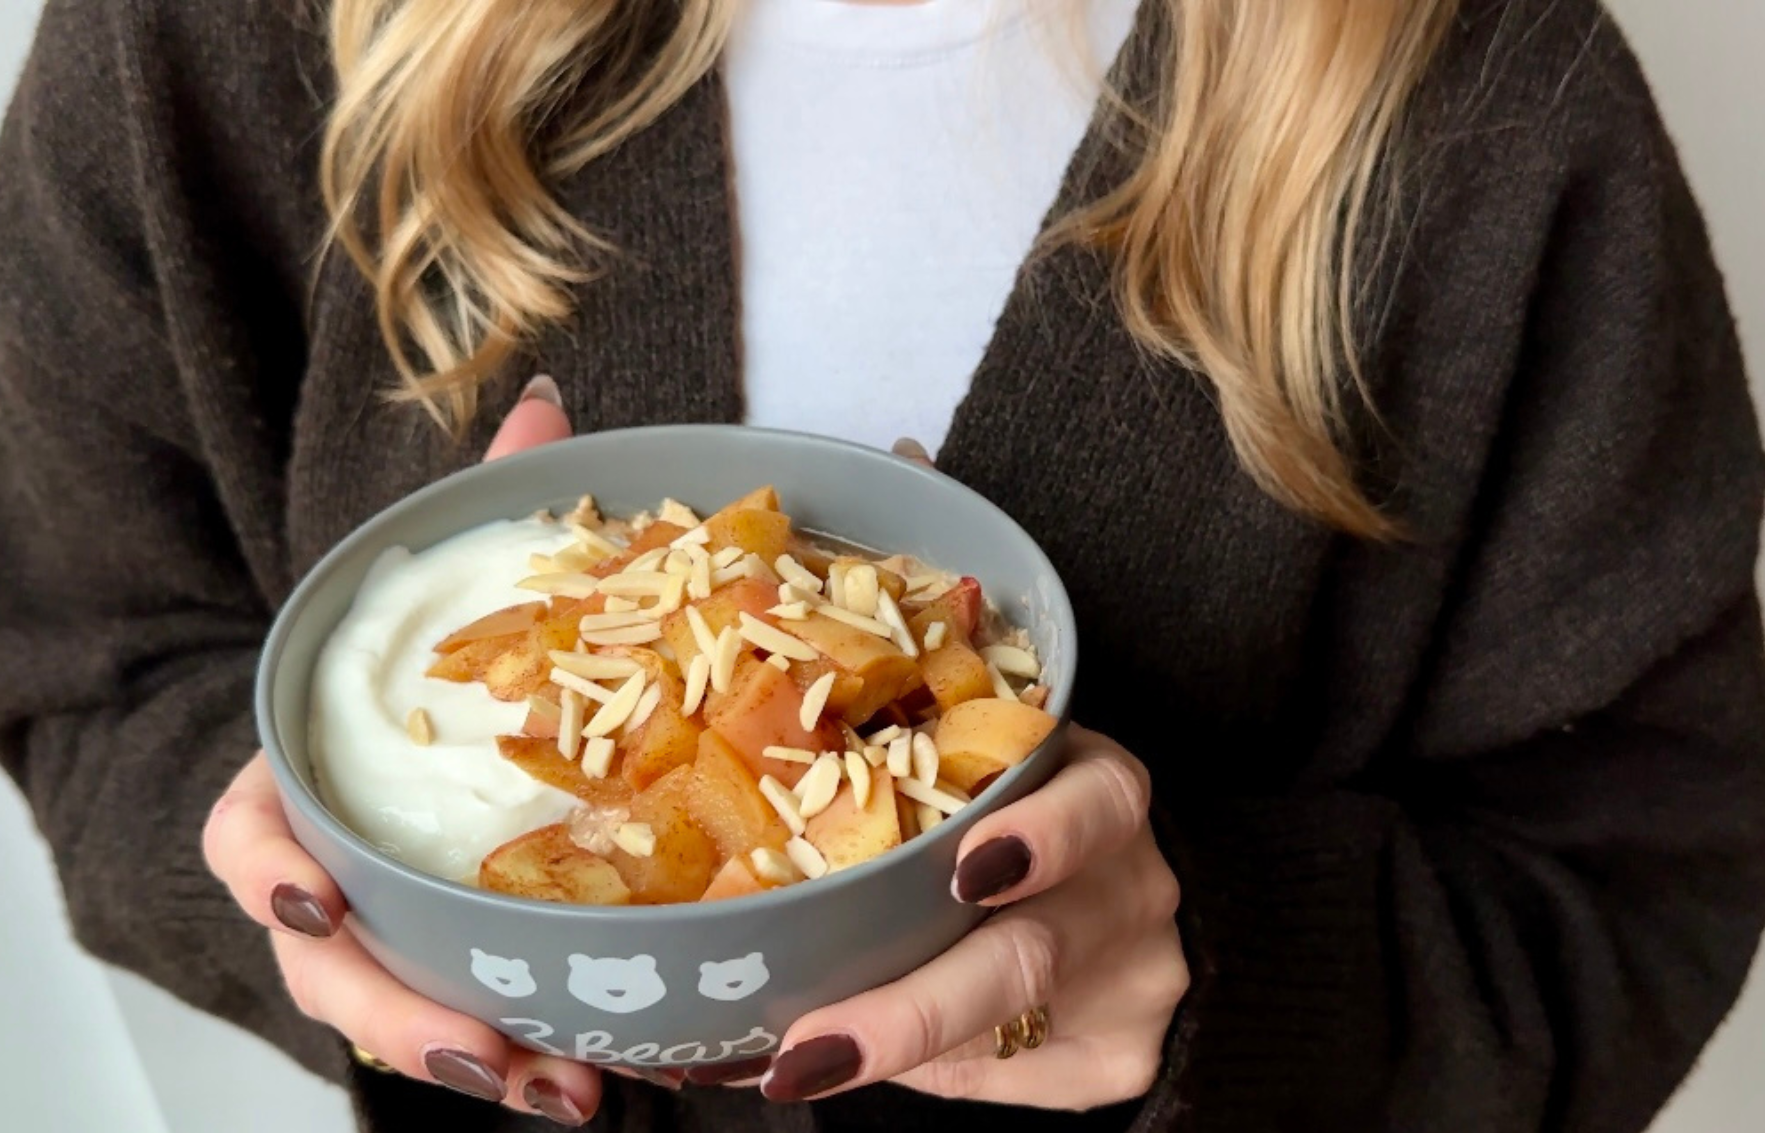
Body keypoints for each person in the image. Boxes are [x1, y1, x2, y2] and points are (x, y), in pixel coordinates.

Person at [2, 0, 1761, 1130]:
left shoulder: (1491, 98)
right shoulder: (222, 34)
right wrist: (316, 901)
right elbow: (85, 661)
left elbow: (1651, 866)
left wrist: (1229, 972)